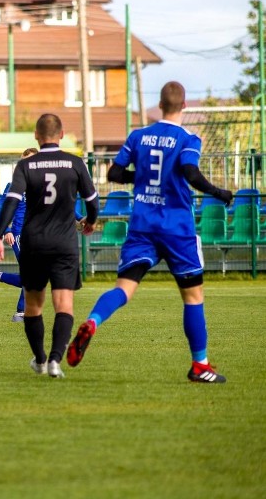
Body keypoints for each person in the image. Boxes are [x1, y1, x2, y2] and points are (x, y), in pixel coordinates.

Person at [67, 81, 232, 383]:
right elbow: (190, 172)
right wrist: (218, 192)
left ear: (160, 104)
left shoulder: (138, 136)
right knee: (193, 297)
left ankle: (92, 321)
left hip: (142, 225)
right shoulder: (188, 138)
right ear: (183, 107)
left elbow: (114, 173)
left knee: (124, 289)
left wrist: (140, 176)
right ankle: (200, 365)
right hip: (176, 228)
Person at [0, 114, 99, 378]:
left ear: (37, 137)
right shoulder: (74, 163)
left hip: (34, 243)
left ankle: (40, 359)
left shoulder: (26, 166)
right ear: (61, 135)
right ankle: (54, 360)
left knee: (33, 307)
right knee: (64, 305)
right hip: (64, 244)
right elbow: (92, 201)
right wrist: (90, 221)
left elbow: (11, 202)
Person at [0, 147, 38, 322]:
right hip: (19, 235)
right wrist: (6, 230)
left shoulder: (43, 185)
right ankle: (21, 312)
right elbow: (3, 208)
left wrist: (79, 218)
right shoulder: (15, 185)